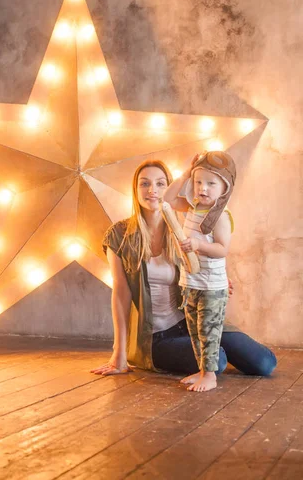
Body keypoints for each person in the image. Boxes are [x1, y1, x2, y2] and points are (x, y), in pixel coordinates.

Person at [91, 159, 277, 382]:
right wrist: (118, 354)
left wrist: (219, 282)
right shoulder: (120, 235)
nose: (153, 191)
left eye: (161, 184)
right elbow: (121, 294)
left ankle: (208, 346)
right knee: (217, 362)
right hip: (156, 337)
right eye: (144, 184)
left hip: (191, 321)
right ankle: (203, 358)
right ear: (135, 189)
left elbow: (209, 257)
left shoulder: (184, 228)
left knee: (264, 363)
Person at [164, 151, 234, 392]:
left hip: (212, 286)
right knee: (194, 330)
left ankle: (211, 375)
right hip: (190, 281)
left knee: (209, 331)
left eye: (211, 183)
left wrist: (198, 245)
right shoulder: (192, 207)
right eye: (198, 182)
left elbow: (222, 249)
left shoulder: (221, 217)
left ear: (224, 188)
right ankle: (202, 370)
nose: (203, 188)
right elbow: (168, 199)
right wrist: (186, 173)